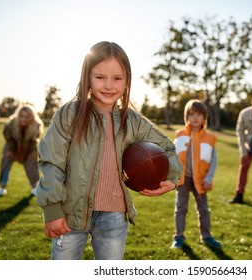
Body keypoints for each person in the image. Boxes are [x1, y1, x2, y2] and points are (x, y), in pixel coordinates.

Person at [36, 41, 183, 260]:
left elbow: (168, 149)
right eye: (100, 77)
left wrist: (172, 177)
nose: (108, 85)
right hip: (70, 213)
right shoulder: (69, 114)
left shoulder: (133, 121)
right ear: (87, 77)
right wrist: (52, 209)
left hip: (114, 216)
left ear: (127, 81)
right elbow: (51, 161)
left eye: (117, 78)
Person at [171, 99, 221, 250]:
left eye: (199, 114)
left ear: (204, 117)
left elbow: (213, 161)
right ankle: (179, 237)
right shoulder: (180, 136)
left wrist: (208, 178)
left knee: (203, 209)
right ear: (187, 116)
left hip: (200, 180)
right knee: (181, 208)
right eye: (192, 114)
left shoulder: (209, 138)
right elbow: (171, 155)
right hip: (183, 180)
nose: (195, 117)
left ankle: (207, 236)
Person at [0, 104, 44, 197]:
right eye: (21, 116)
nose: (23, 119)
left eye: (27, 117)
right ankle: (2, 187)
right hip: (11, 147)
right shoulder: (10, 123)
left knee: (32, 164)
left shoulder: (36, 125)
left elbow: (34, 140)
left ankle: (35, 187)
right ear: (18, 115)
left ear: (31, 117)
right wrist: (11, 150)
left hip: (28, 148)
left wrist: (31, 151)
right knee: (5, 163)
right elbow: (8, 137)